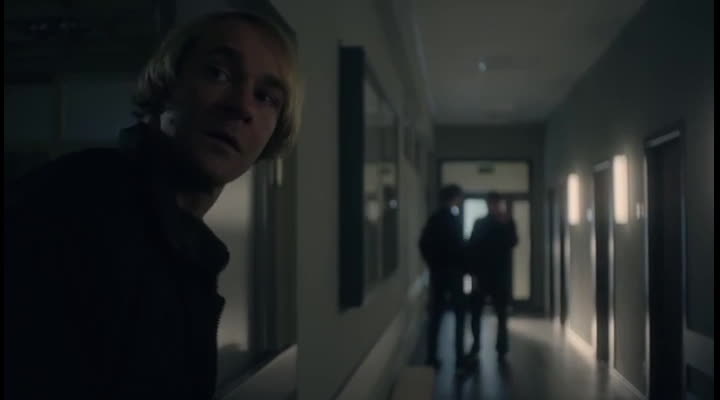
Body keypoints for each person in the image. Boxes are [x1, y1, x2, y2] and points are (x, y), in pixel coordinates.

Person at [4, 10, 302, 400]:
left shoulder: (184, 247)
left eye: (266, 97)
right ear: (167, 84)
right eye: (218, 73)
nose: (241, 106)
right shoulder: (72, 206)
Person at [464, 192, 518, 364]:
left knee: (500, 314)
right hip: (484, 274)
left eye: (496, 204)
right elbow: (472, 248)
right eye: (492, 204)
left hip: (498, 275)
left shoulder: (506, 222)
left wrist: (505, 224)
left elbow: (513, 242)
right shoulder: (481, 223)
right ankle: (478, 345)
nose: (494, 207)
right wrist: (472, 274)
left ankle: (500, 347)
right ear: (488, 205)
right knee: (477, 313)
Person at [419, 184, 467, 370]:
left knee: (436, 316)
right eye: (459, 197)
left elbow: (423, 244)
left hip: (438, 273)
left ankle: (431, 357)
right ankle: (459, 358)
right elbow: (459, 247)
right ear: (454, 198)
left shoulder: (434, 219)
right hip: (453, 273)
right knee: (460, 316)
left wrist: (433, 263)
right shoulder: (453, 220)